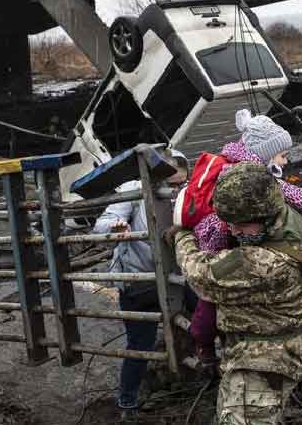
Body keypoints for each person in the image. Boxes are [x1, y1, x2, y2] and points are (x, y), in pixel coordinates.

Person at [173, 162, 302, 425]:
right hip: (267, 356)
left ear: (265, 216)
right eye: (230, 223)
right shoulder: (292, 220)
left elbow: (199, 273)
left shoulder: (262, 262)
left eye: (242, 225)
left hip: (259, 365)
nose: (233, 231)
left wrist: (183, 236)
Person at [187, 109, 302, 363]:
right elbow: (280, 189)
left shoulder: (255, 171)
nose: (285, 161)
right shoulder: (241, 175)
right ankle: (204, 346)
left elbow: (281, 189)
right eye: (282, 155)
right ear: (265, 153)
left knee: (219, 293)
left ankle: (210, 342)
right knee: (210, 294)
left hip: (233, 237)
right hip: (218, 237)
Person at [91, 149, 189, 418]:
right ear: (156, 178)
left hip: (179, 278)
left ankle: (192, 372)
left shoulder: (190, 193)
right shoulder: (135, 190)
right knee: (140, 344)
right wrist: (116, 226)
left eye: (181, 183)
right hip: (141, 281)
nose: (176, 190)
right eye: (171, 184)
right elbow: (101, 224)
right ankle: (127, 402)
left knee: (203, 318)